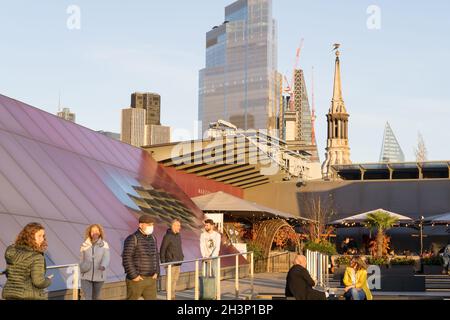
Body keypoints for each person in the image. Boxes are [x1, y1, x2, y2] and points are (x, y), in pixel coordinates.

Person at [2, 223, 53, 300]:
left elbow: (9, 273)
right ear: (30, 237)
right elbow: (38, 282)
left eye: (43, 236)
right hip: (29, 296)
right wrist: (48, 280)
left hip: (10, 294)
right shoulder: (37, 257)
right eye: (39, 236)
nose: (42, 239)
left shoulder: (11, 251)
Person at [122, 215, 160, 300]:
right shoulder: (132, 238)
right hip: (137, 280)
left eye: (152, 224)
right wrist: (134, 276)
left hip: (151, 279)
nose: (151, 227)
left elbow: (156, 256)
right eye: (148, 224)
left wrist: (157, 271)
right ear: (141, 225)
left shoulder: (153, 238)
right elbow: (126, 258)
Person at [79, 224, 110, 300]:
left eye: (96, 230)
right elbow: (81, 259)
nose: (95, 232)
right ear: (89, 233)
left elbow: (106, 257)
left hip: (99, 275)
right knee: (87, 297)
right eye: (92, 231)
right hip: (85, 275)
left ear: (100, 232)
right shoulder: (84, 244)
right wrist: (82, 267)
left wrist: (103, 266)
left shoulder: (104, 245)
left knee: (96, 297)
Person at [160, 219, 184, 299]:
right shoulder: (167, 236)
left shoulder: (178, 235)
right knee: (169, 281)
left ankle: (173, 296)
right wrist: (163, 262)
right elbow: (162, 249)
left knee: (175, 280)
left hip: (178, 262)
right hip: (170, 263)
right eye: (178, 226)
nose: (179, 227)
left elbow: (179, 248)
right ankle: (169, 297)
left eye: (180, 226)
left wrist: (181, 256)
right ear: (173, 226)